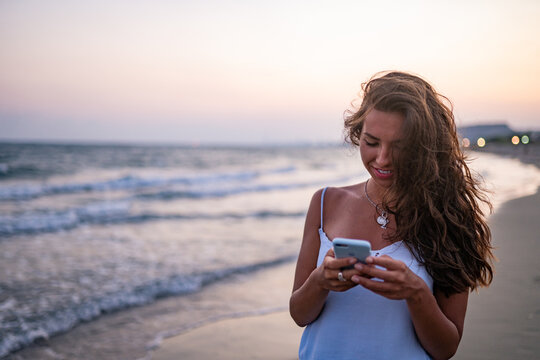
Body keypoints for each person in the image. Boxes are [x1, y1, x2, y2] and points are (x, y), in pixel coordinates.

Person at [289, 71, 494, 360]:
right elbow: (299, 314)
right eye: (372, 142)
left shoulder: (450, 218)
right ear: (358, 134)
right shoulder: (325, 202)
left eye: (400, 147)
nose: (383, 159)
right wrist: (320, 281)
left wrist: (416, 293)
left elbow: (445, 348)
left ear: (424, 147)